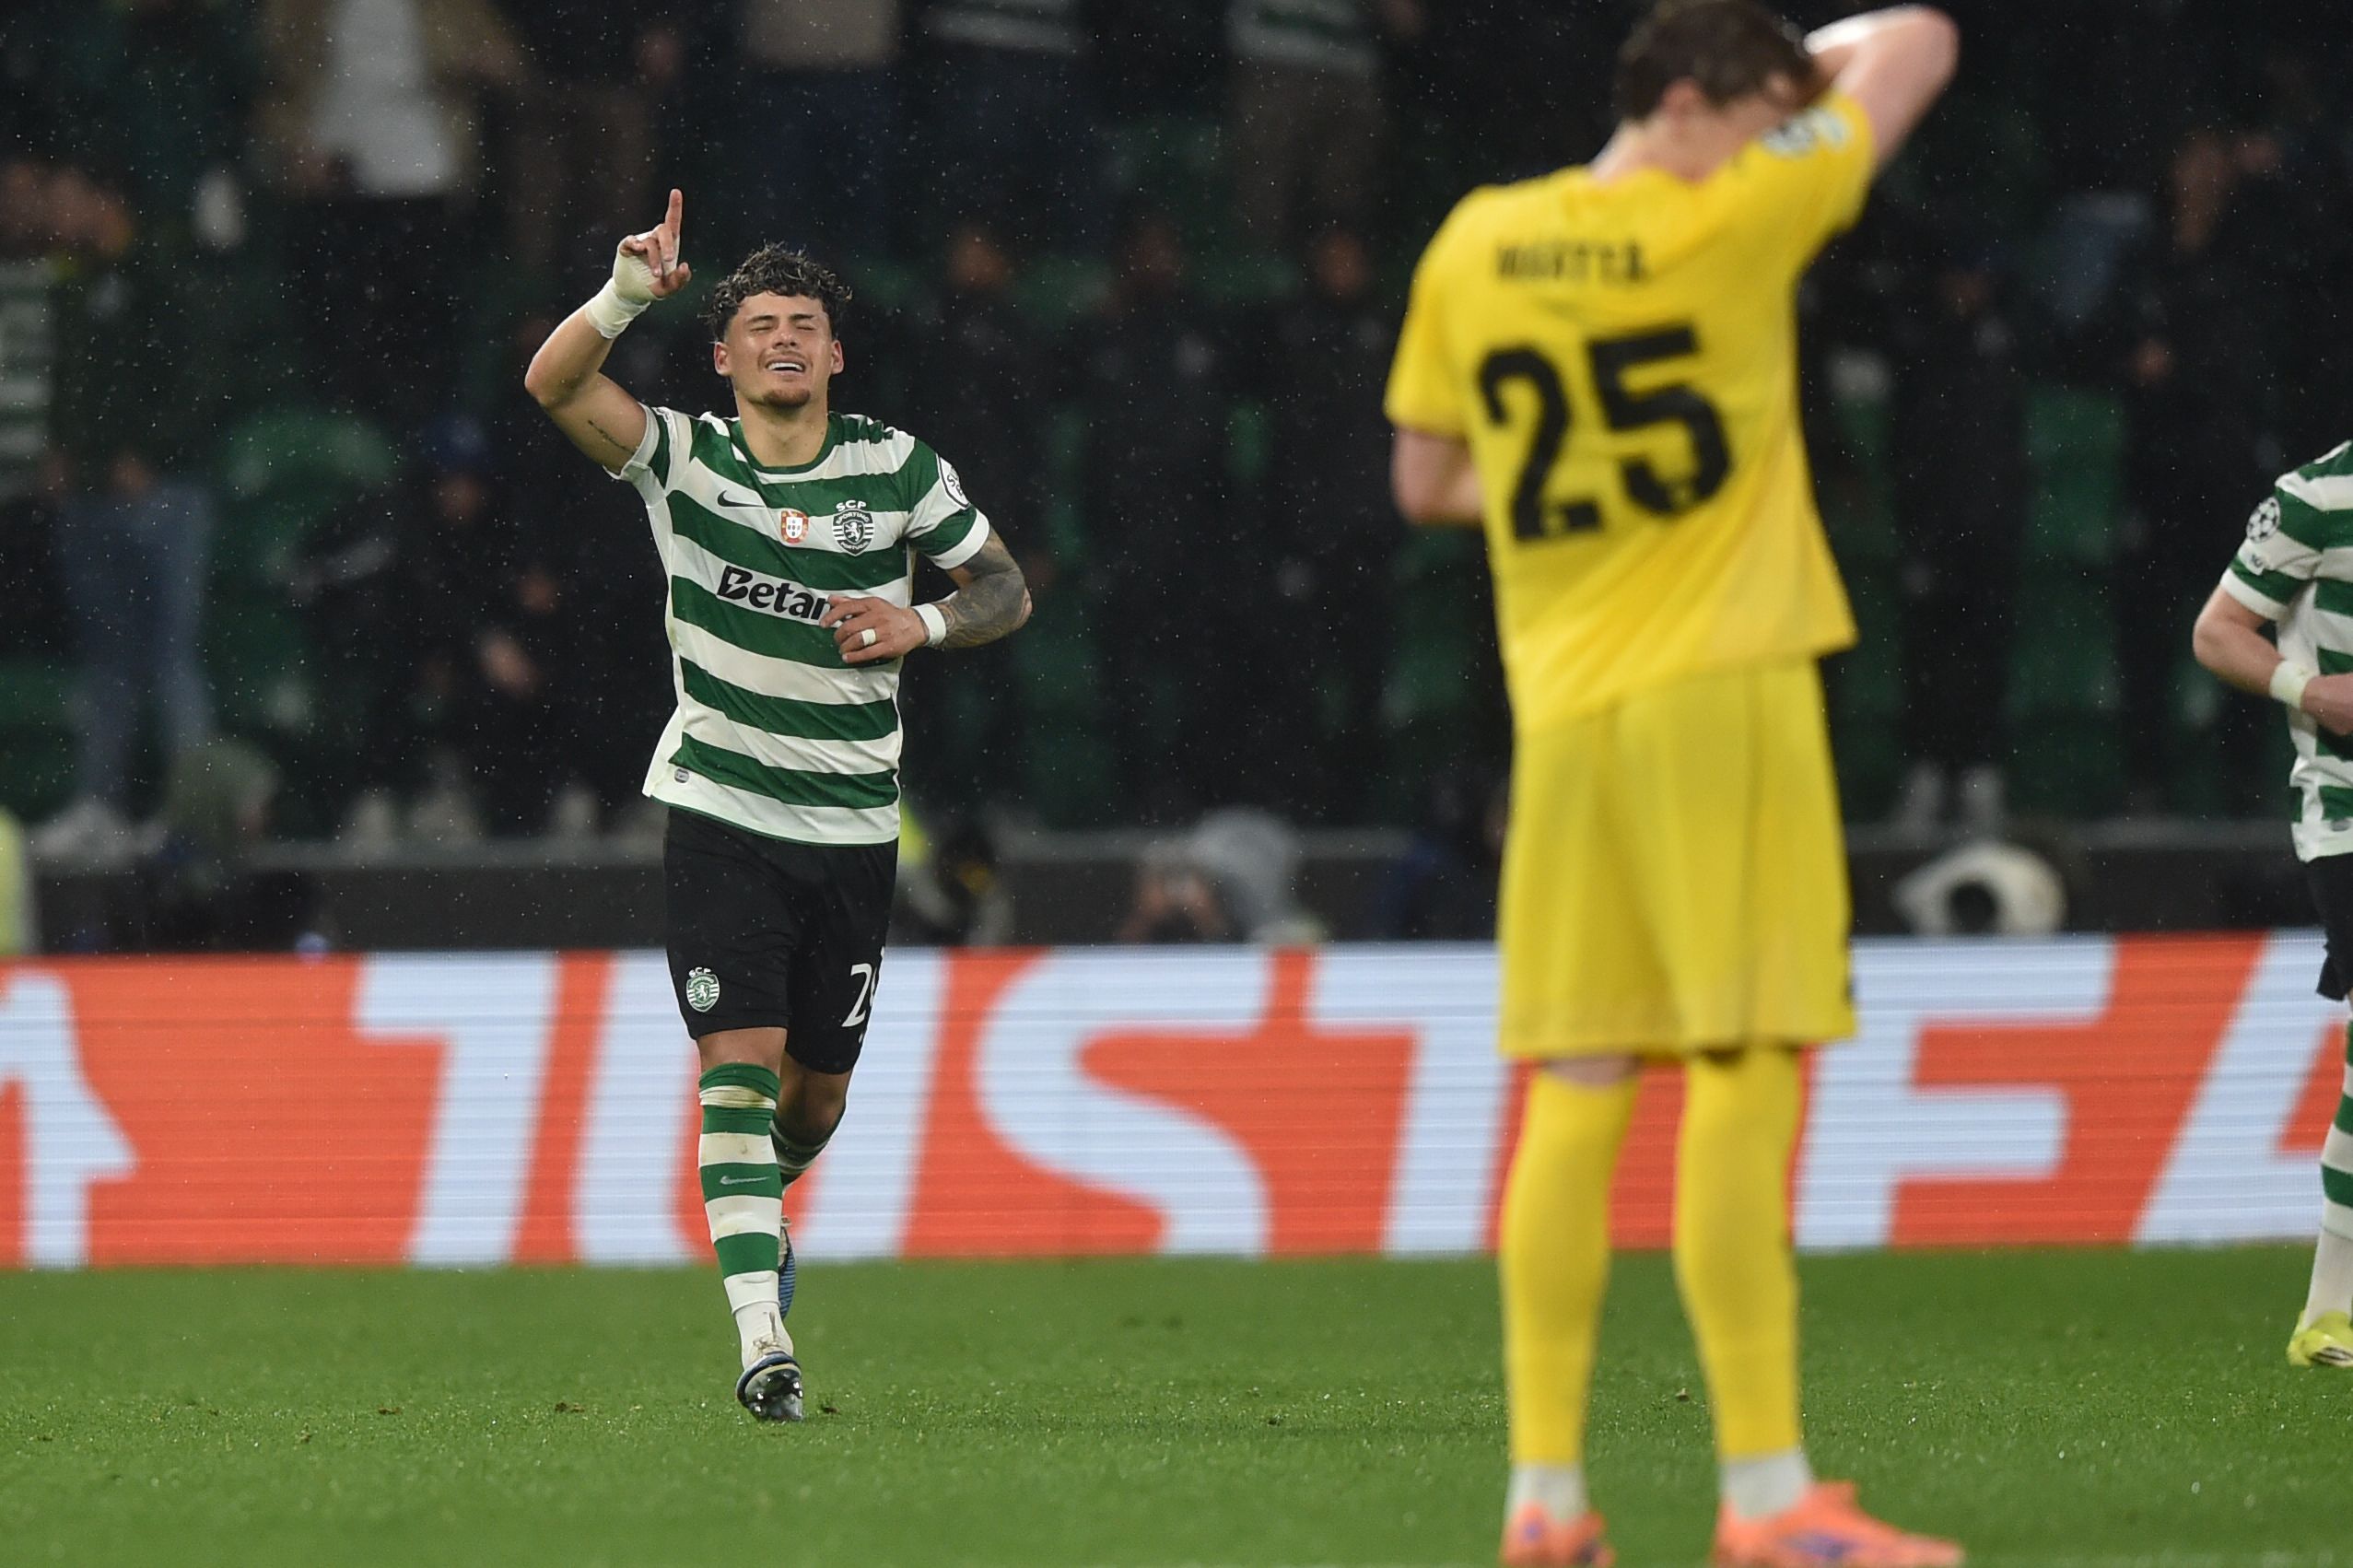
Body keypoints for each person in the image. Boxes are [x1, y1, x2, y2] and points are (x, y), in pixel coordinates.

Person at [1384, 4, 1960, 1563]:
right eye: (1759, 114)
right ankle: (1766, 1499)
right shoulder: (1735, 216)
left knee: (1575, 1085)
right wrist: (1800, 75)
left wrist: (1570, 481)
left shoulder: (1478, 238)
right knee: (1743, 1066)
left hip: (1565, 710)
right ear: (1696, 103)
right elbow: (1914, 40)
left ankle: (1542, 1498)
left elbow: (1423, 479)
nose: (1778, 139)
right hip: (1723, 689)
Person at [524, 191, 1031, 1422]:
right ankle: (764, 1340)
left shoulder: (896, 467)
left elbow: (1004, 587)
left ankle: (764, 1208)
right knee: (738, 1071)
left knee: (815, 1098)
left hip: (852, 830)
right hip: (722, 813)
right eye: (759, 325)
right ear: (723, 356)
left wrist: (922, 621)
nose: (783, 339)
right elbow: (554, 385)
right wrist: (622, 296)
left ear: (836, 353)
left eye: (803, 323)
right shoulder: (685, 459)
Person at [2190, 439, 2353, 1373]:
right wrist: (2307, 687)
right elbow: (2218, 631)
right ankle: (2330, 1314)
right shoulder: (2317, 498)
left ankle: (2328, 1312)